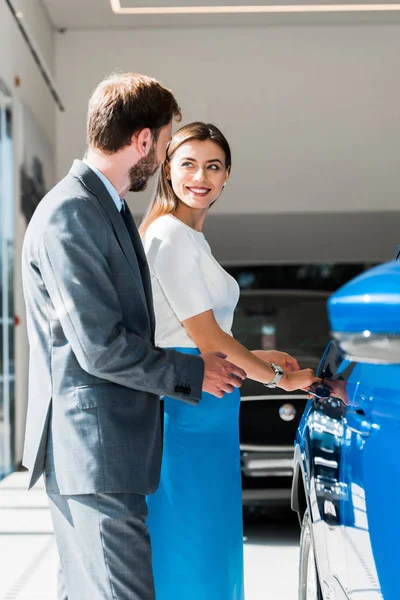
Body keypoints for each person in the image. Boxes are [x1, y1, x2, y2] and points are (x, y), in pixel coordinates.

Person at [21, 76, 247, 600]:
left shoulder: (106, 208)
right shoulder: (71, 213)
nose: (169, 157)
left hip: (110, 450)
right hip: (95, 451)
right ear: (144, 142)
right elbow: (99, 346)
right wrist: (193, 371)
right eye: (168, 143)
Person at [140, 122, 320, 600]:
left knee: (214, 548)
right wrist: (281, 378)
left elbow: (194, 334)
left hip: (211, 409)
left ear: (226, 177)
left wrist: (256, 358)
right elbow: (207, 338)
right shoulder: (169, 235)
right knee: (190, 550)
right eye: (189, 164)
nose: (201, 175)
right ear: (167, 171)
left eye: (213, 166)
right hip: (186, 411)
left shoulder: (192, 239)